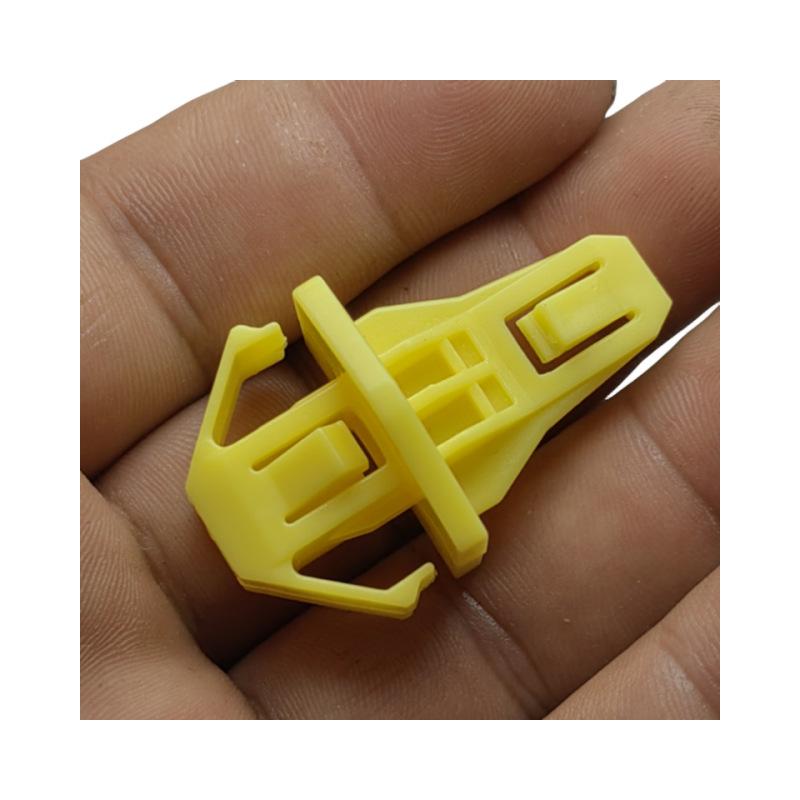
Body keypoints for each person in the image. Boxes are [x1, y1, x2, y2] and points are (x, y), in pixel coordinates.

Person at [80, 80, 719, 719]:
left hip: (418, 405)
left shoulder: (227, 490)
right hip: (429, 441)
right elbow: (353, 586)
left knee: (508, 370)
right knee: (512, 395)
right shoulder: (249, 525)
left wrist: (250, 354)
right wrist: (402, 590)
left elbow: (231, 390)